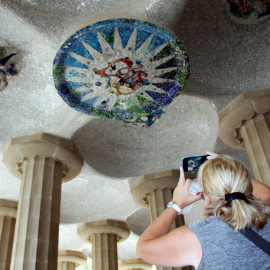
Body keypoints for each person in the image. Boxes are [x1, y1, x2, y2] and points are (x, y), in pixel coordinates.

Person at [136, 152, 270, 269]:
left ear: (207, 196)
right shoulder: (267, 212)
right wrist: (229, 168)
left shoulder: (199, 237)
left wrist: (177, 204)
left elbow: (143, 249)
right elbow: (266, 195)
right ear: (246, 183)